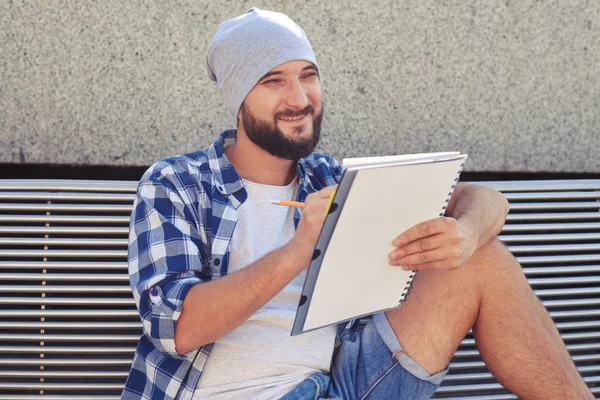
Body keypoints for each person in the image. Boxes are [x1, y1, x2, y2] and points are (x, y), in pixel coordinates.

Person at [122, 8, 593, 400]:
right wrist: (298, 250)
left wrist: (466, 233)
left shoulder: (330, 177)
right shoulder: (177, 184)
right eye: (273, 81)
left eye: (309, 76)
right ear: (238, 99)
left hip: (346, 385)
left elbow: (486, 199)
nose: (300, 98)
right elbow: (175, 327)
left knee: (483, 259)